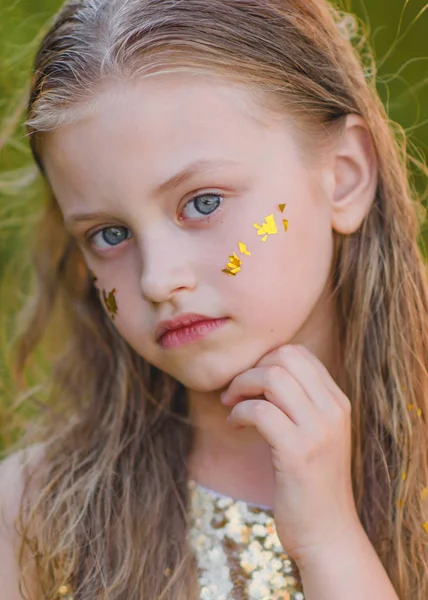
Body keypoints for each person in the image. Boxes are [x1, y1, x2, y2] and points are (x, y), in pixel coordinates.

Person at [1, 0, 427, 598]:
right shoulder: (33, 519)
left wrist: (331, 542)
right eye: (110, 234)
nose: (156, 279)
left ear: (345, 175)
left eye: (203, 203)